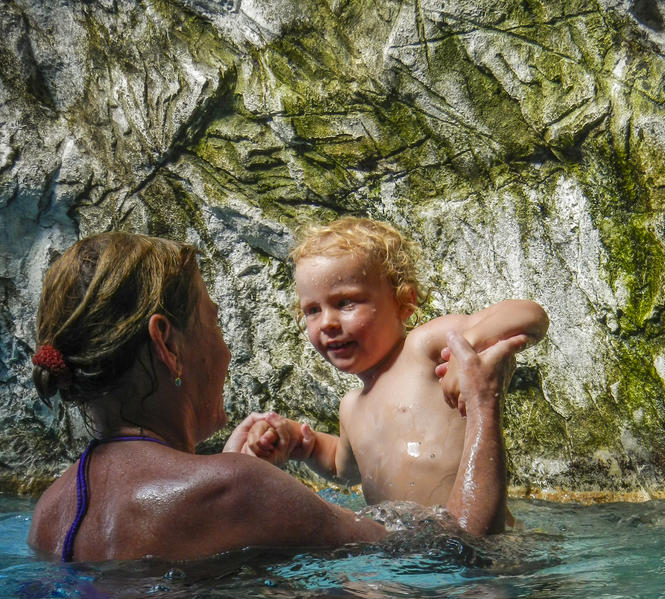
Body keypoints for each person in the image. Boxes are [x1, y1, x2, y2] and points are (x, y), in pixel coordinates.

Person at [27, 231, 516, 562]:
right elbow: (457, 546)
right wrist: (483, 406)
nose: (226, 348)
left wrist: (223, 467)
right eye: (215, 321)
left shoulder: (49, 513)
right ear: (167, 345)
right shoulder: (239, 490)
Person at [240, 217, 548, 532]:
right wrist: (301, 444)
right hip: (412, 561)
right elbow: (342, 468)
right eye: (313, 310)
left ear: (404, 302)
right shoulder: (351, 406)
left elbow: (529, 315)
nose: (327, 323)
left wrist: (464, 349)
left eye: (345, 302)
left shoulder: (423, 349)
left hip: (484, 540)